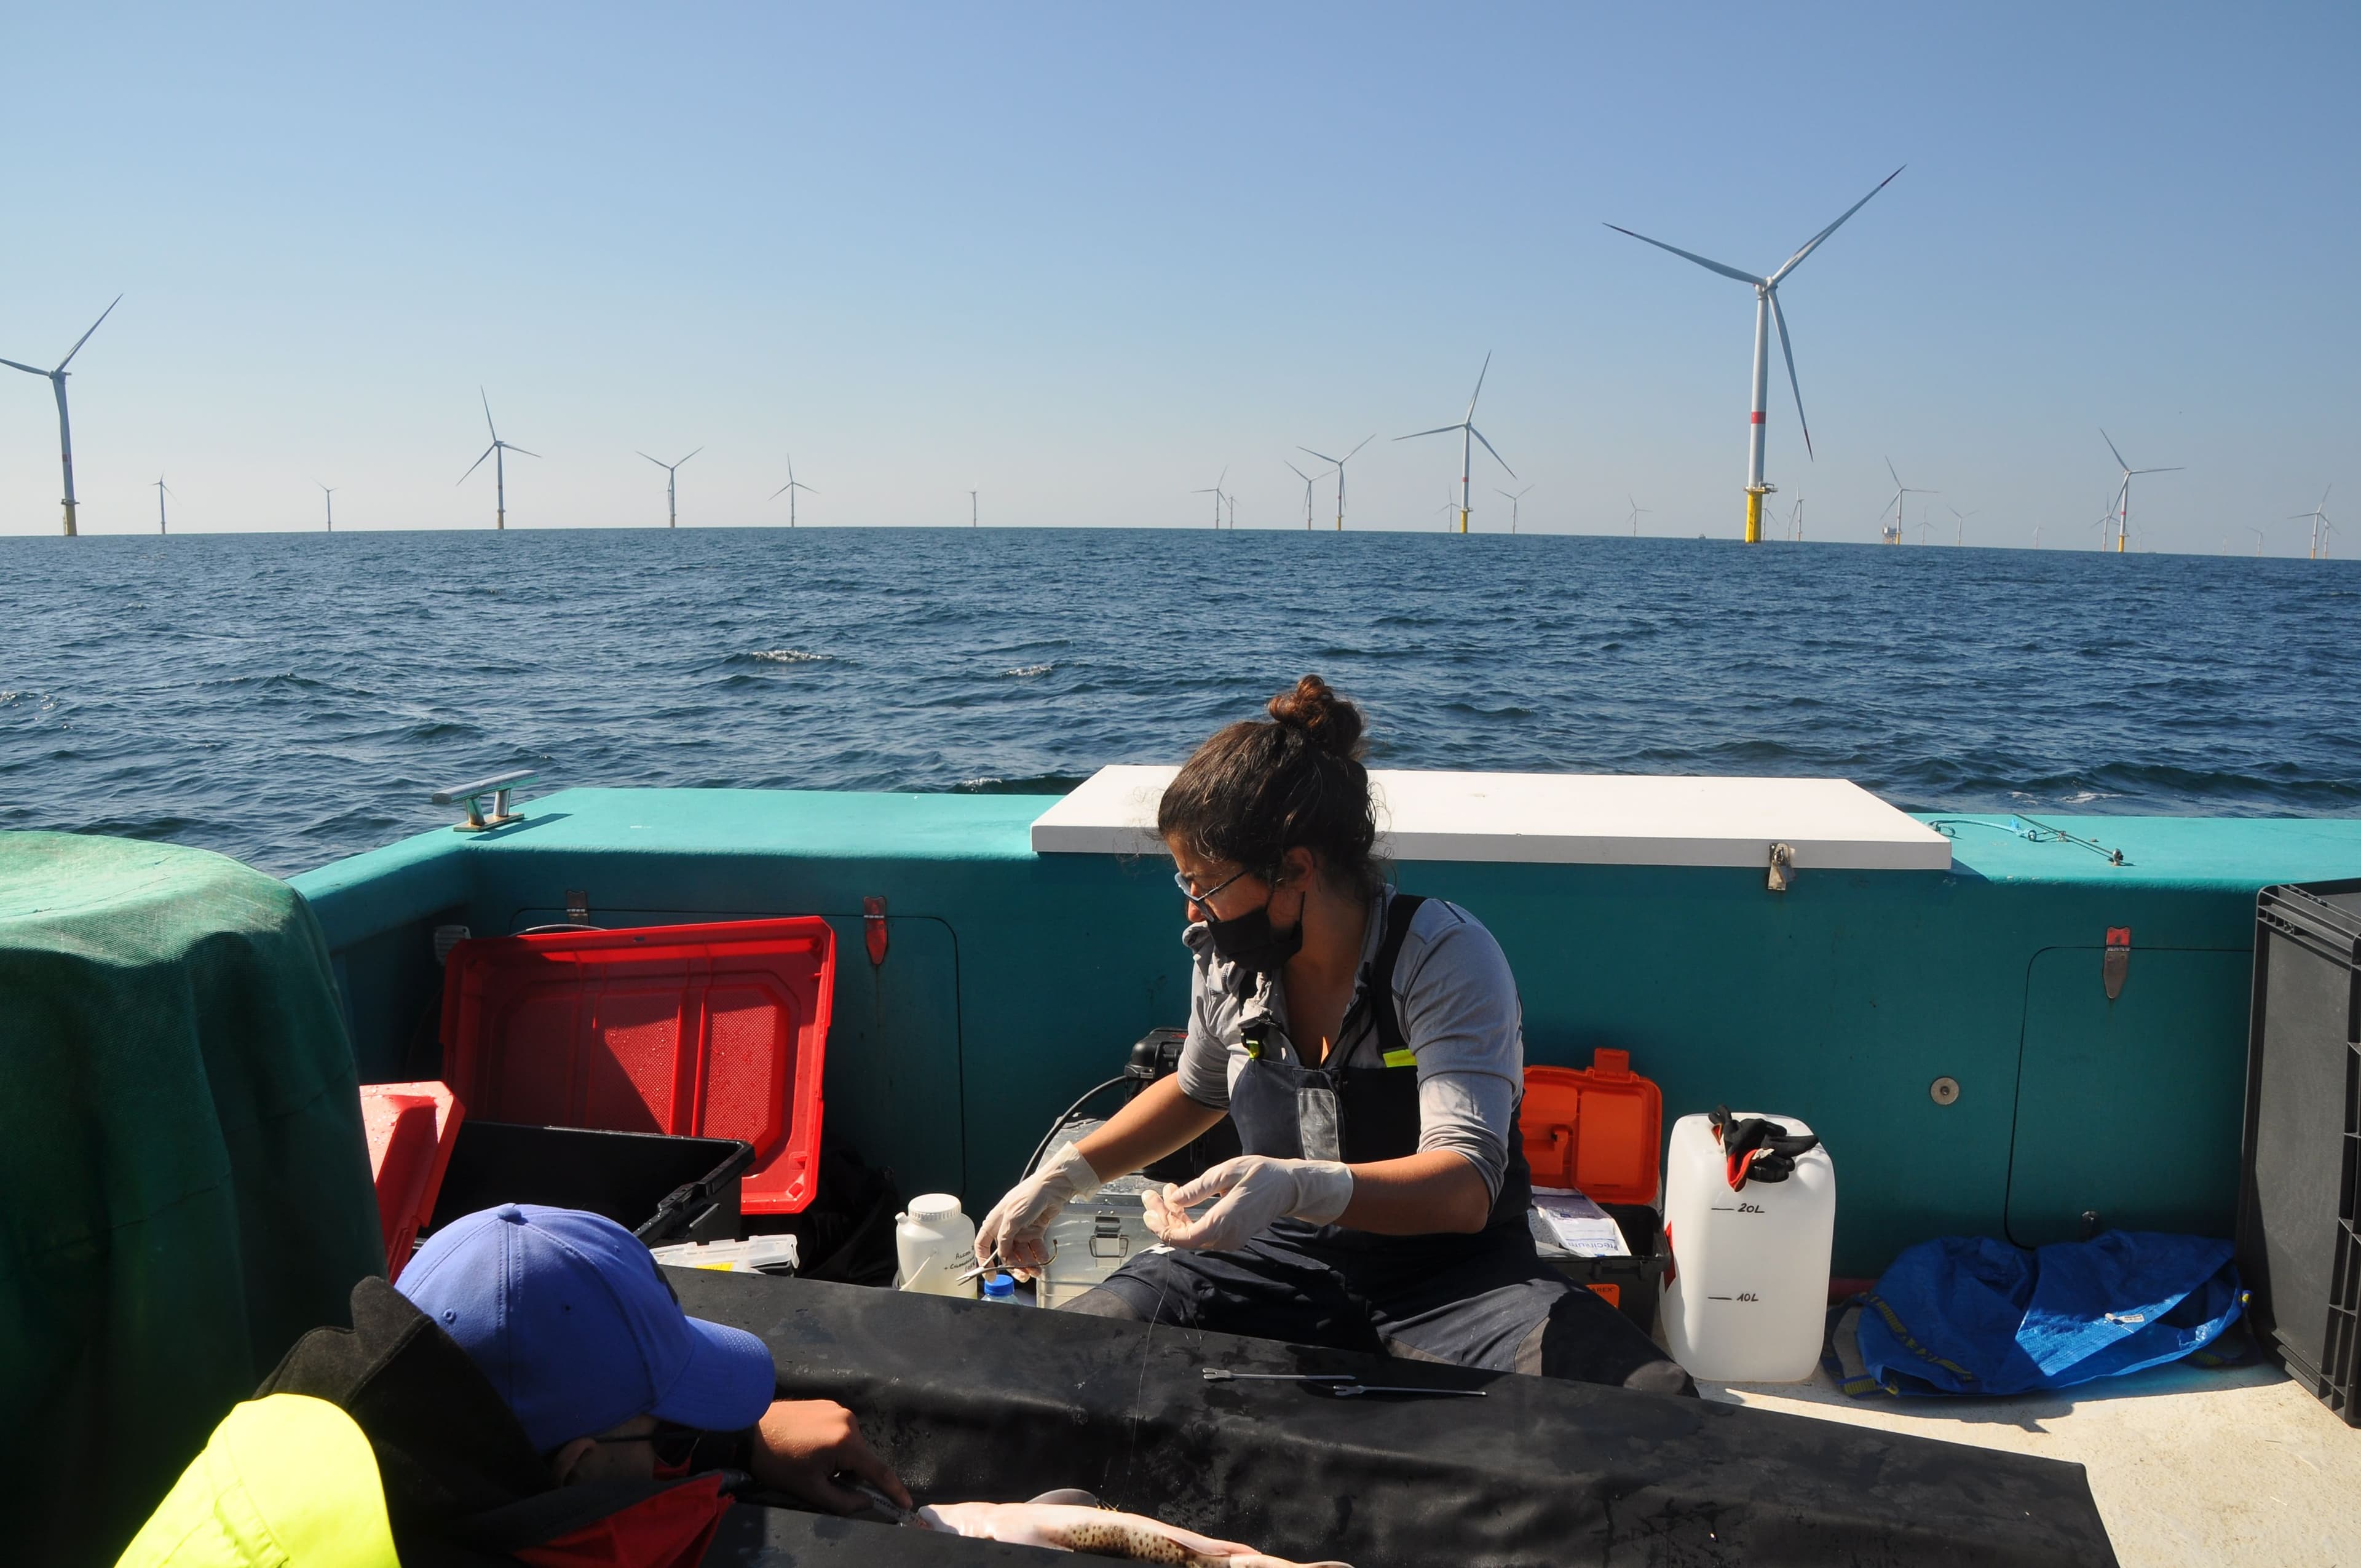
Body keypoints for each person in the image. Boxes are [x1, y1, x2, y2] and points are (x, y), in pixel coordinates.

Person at [974, 676, 1690, 1395]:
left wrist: (1295, 1184)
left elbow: (1467, 1184)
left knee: (1647, 1399)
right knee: (1072, 1356)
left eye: (1207, 885)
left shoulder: (1444, 955)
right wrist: (1063, 1177)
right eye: (1183, 883)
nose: (1192, 910)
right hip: (1268, 1260)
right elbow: (1196, 1091)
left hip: (1458, 1279)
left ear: (1295, 871)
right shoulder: (1230, 959)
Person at [250, 1203, 910, 1566]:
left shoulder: (284, 1448)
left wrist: (737, 1444)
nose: (674, 1455)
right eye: (670, 1438)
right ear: (573, 1472)